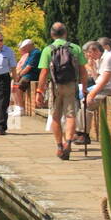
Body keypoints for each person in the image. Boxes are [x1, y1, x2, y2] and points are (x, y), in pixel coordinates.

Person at [34, 22, 88, 161]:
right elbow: (83, 71)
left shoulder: (48, 50)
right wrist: (84, 87)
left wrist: (39, 91)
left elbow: (44, 72)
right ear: (65, 33)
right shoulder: (75, 48)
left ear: (52, 34)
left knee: (56, 117)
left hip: (55, 86)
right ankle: (68, 142)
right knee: (71, 116)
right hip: (71, 85)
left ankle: (59, 146)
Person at [80, 38, 111, 142]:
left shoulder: (109, 58)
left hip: (110, 89)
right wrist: (92, 67)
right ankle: (80, 132)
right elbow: (97, 79)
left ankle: (84, 134)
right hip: (103, 88)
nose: (88, 56)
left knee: (87, 103)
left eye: (89, 53)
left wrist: (92, 94)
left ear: (95, 50)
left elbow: (105, 79)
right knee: (82, 102)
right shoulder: (100, 59)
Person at [12, 38, 38, 115]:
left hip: (31, 75)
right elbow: (23, 67)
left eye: (25, 47)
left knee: (18, 88)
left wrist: (19, 75)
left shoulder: (36, 53)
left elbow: (28, 67)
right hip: (26, 74)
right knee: (14, 87)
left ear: (30, 46)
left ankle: (21, 109)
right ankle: (17, 107)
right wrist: (17, 75)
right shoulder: (30, 53)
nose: (24, 49)